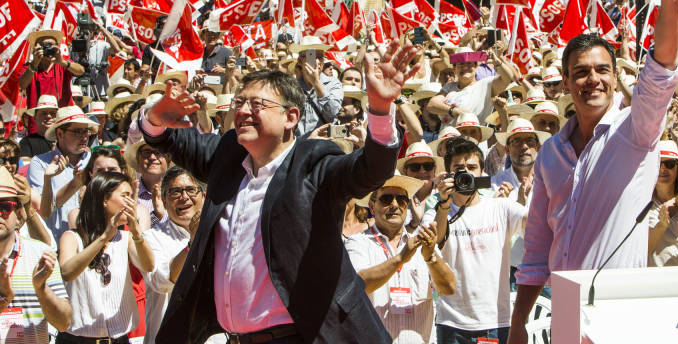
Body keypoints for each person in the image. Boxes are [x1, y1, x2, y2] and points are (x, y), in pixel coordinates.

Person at [141, 42, 419, 343]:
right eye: (239, 103)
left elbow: (370, 170)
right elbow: (173, 141)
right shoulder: (229, 155)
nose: (244, 112)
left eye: (257, 104)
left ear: (291, 117)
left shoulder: (313, 163)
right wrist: (154, 118)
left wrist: (379, 110)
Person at [508, 0, 678, 344]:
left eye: (602, 70)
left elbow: (659, 75)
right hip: (565, 308)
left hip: (619, 309)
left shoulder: (636, 131)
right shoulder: (550, 153)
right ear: (568, 84)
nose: (593, 80)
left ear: (615, 76)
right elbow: (537, 249)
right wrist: (519, 323)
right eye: (581, 72)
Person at [424, 137, 527, 344]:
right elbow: (434, 242)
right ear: (449, 174)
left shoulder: (501, 207)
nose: (467, 173)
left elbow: (534, 225)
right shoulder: (436, 212)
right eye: (459, 168)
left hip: (495, 321)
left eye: (472, 167)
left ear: (482, 173)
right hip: (451, 322)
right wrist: (444, 204)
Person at [345, 174, 456, 343]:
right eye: (386, 199)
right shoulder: (358, 242)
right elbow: (358, 285)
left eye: (402, 199)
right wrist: (400, 259)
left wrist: (431, 257)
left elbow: (449, 288)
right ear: (372, 206)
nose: (395, 205)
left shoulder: (423, 242)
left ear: (407, 206)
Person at [58, 172, 155, 343]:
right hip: (78, 340)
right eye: (125, 196)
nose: (131, 203)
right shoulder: (72, 238)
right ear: (104, 199)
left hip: (119, 339)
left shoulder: (127, 238)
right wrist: (103, 238)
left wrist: (137, 232)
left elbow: (148, 266)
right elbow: (67, 272)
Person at [0, 166, 73, 342]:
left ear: (18, 214)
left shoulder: (40, 254)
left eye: (4, 207)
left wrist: (41, 289)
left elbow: (64, 322)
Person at [143, 167, 206, 344]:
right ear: (163, 200)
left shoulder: (220, 232)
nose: (184, 197)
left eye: (191, 190)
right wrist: (192, 243)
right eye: (175, 192)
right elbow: (161, 282)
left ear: (203, 195)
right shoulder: (151, 238)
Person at [28, 106, 97, 242]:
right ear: (60, 134)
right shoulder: (41, 163)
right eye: (77, 131)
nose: (84, 136)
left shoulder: (95, 160)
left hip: (91, 243)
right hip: (55, 243)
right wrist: (75, 184)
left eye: (86, 131)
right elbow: (44, 210)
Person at [19, 95, 58, 163]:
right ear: (35, 117)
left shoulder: (65, 139)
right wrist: (49, 156)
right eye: (44, 113)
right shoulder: (26, 142)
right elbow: (23, 163)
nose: (48, 116)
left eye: (53, 113)